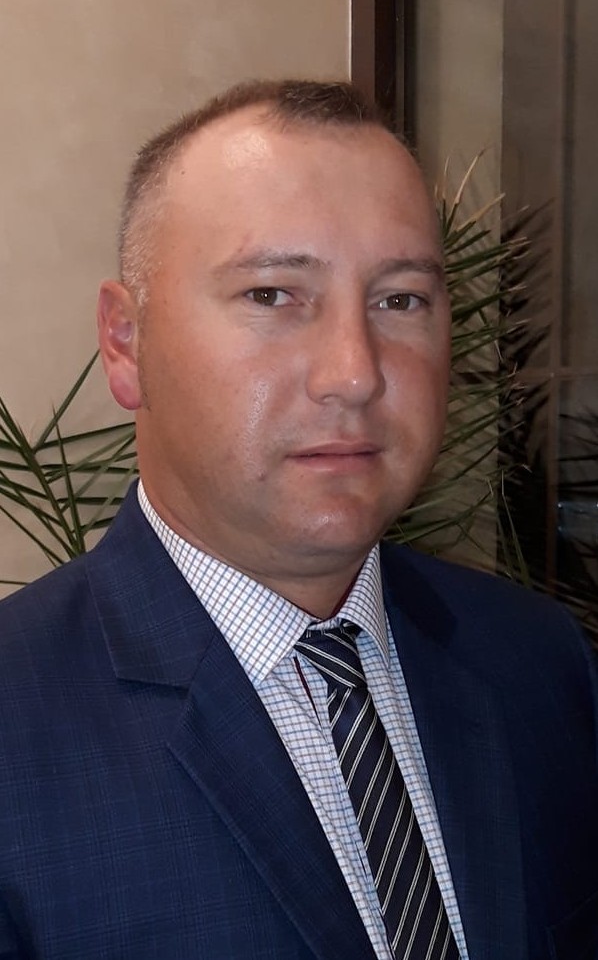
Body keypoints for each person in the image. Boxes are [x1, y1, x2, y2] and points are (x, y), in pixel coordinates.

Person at [0, 79, 596, 960]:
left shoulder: (539, 663)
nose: (355, 372)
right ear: (126, 344)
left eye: (400, 300)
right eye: (273, 295)